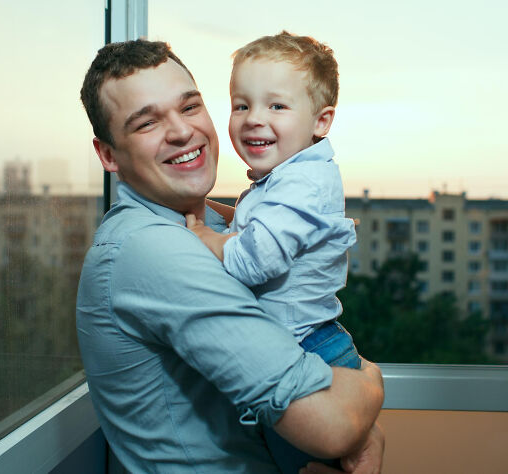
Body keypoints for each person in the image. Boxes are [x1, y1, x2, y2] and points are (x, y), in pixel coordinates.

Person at [76, 38, 384, 473]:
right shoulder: (154, 250)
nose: (182, 132)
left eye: (189, 107)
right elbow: (332, 426)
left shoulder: (207, 226)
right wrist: (371, 384)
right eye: (146, 123)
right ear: (108, 154)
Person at [185, 32, 360, 472]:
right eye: (241, 105)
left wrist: (206, 237)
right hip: (303, 345)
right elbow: (255, 221)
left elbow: (251, 260)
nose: (252, 119)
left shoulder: (300, 186)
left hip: (308, 352)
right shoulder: (290, 177)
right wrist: (214, 210)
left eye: (276, 106)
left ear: (321, 122)